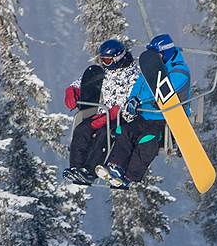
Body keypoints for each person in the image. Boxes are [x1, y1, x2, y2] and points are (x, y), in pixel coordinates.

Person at [96, 33, 190, 189]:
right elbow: (138, 85)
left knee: (147, 141)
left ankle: (129, 176)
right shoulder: (151, 68)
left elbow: (166, 90)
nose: (155, 58)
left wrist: (142, 100)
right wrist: (132, 100)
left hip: (166, 119)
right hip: (145, 115)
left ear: (165, 52)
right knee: (124, 130)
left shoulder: (179, 71)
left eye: (157, 54)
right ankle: (115, 166)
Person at [63, 39, 140, 186]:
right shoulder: (105, 71)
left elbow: (129, 101)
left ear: (118, 57)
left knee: (104, 133)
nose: (105, 63)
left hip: (121, 119)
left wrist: (109, 115)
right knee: (82, 129)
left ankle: (90, 171)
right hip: (103, 114)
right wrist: (73, 90)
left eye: (107, 60)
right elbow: (85, 82)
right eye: (102, 59)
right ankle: (76, 168)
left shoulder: (132, 76)